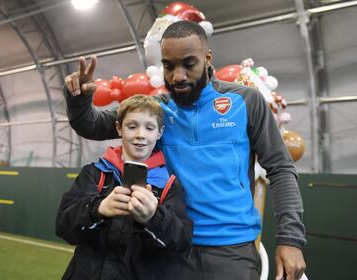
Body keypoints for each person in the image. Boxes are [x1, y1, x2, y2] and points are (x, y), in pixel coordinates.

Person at [63, 20, 306, 280]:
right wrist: (79, 98)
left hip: (231, 253)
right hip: (168, 250)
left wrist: (291, 239)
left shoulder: (246, 101)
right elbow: (92, 125)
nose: (177, 76)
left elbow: (280, 169)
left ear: (208, 57)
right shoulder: (156, 110)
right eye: (168, 66)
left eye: (189, 64)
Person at [56, 94, 193, 280]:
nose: (140, 135)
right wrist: (98, 209)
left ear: (159, 133)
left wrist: (153, 218)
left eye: (149, 128)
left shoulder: (169, 186)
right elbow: (64, 227)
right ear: (119, 128)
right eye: (132, 126)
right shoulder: (95, 174)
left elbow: (180, 245)